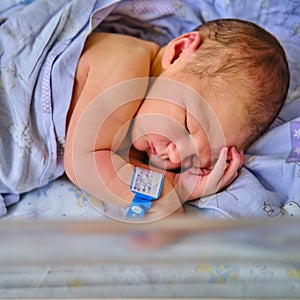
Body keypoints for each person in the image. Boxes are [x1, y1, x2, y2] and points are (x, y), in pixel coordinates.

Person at [64, 18, 290, 221]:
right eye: (186, 125)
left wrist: (182, 186)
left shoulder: (143, 125)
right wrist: (164, 192)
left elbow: (114, 167)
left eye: (191, 158)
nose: (172, 156)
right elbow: (84, 163)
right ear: (179, 52)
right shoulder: (124, 65)